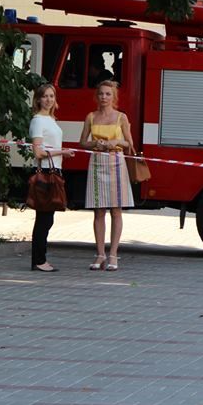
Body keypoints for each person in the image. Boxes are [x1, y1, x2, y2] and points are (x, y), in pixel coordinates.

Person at [79, 80, 135, 272]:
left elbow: (129, 143)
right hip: (97, 162)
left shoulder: (121, 117)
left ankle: (113, 254)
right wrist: (95, 145)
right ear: (97, 96)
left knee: (116, 210)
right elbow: (82, 142)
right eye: (101, 94)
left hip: (116, 162)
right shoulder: (91, 117)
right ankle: (100, 254)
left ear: (114, 96)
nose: (104, 97)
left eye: (108, 94)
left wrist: (116, 141)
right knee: (98, 211)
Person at [29, 83, 76, 272]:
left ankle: (40, 259)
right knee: (44, 218)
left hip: (54, 171)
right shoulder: (38, 120)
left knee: (47, 218)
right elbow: (38, 152)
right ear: (38, 99)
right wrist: (61, 153)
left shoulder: (50, 119)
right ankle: (39, 260)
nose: (49, 100)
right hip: (46, 173)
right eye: (45, 96)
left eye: (51, 96)